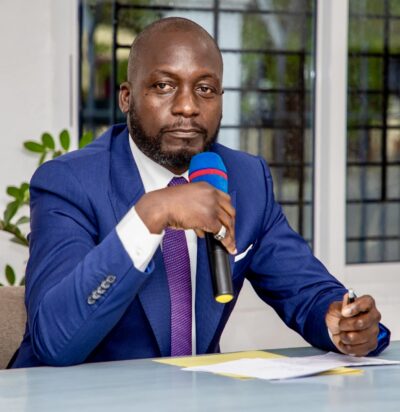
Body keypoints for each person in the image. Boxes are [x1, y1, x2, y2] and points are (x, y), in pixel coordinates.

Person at [11, 17, 389, 368]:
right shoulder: (69, 182)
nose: (187, 106)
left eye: (205, 89)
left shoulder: (245, 178)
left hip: (196, 395)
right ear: (126, 97)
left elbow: (306, 288)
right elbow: (55, 341)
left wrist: (342, 323)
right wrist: (151, 214)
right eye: (164, 86)